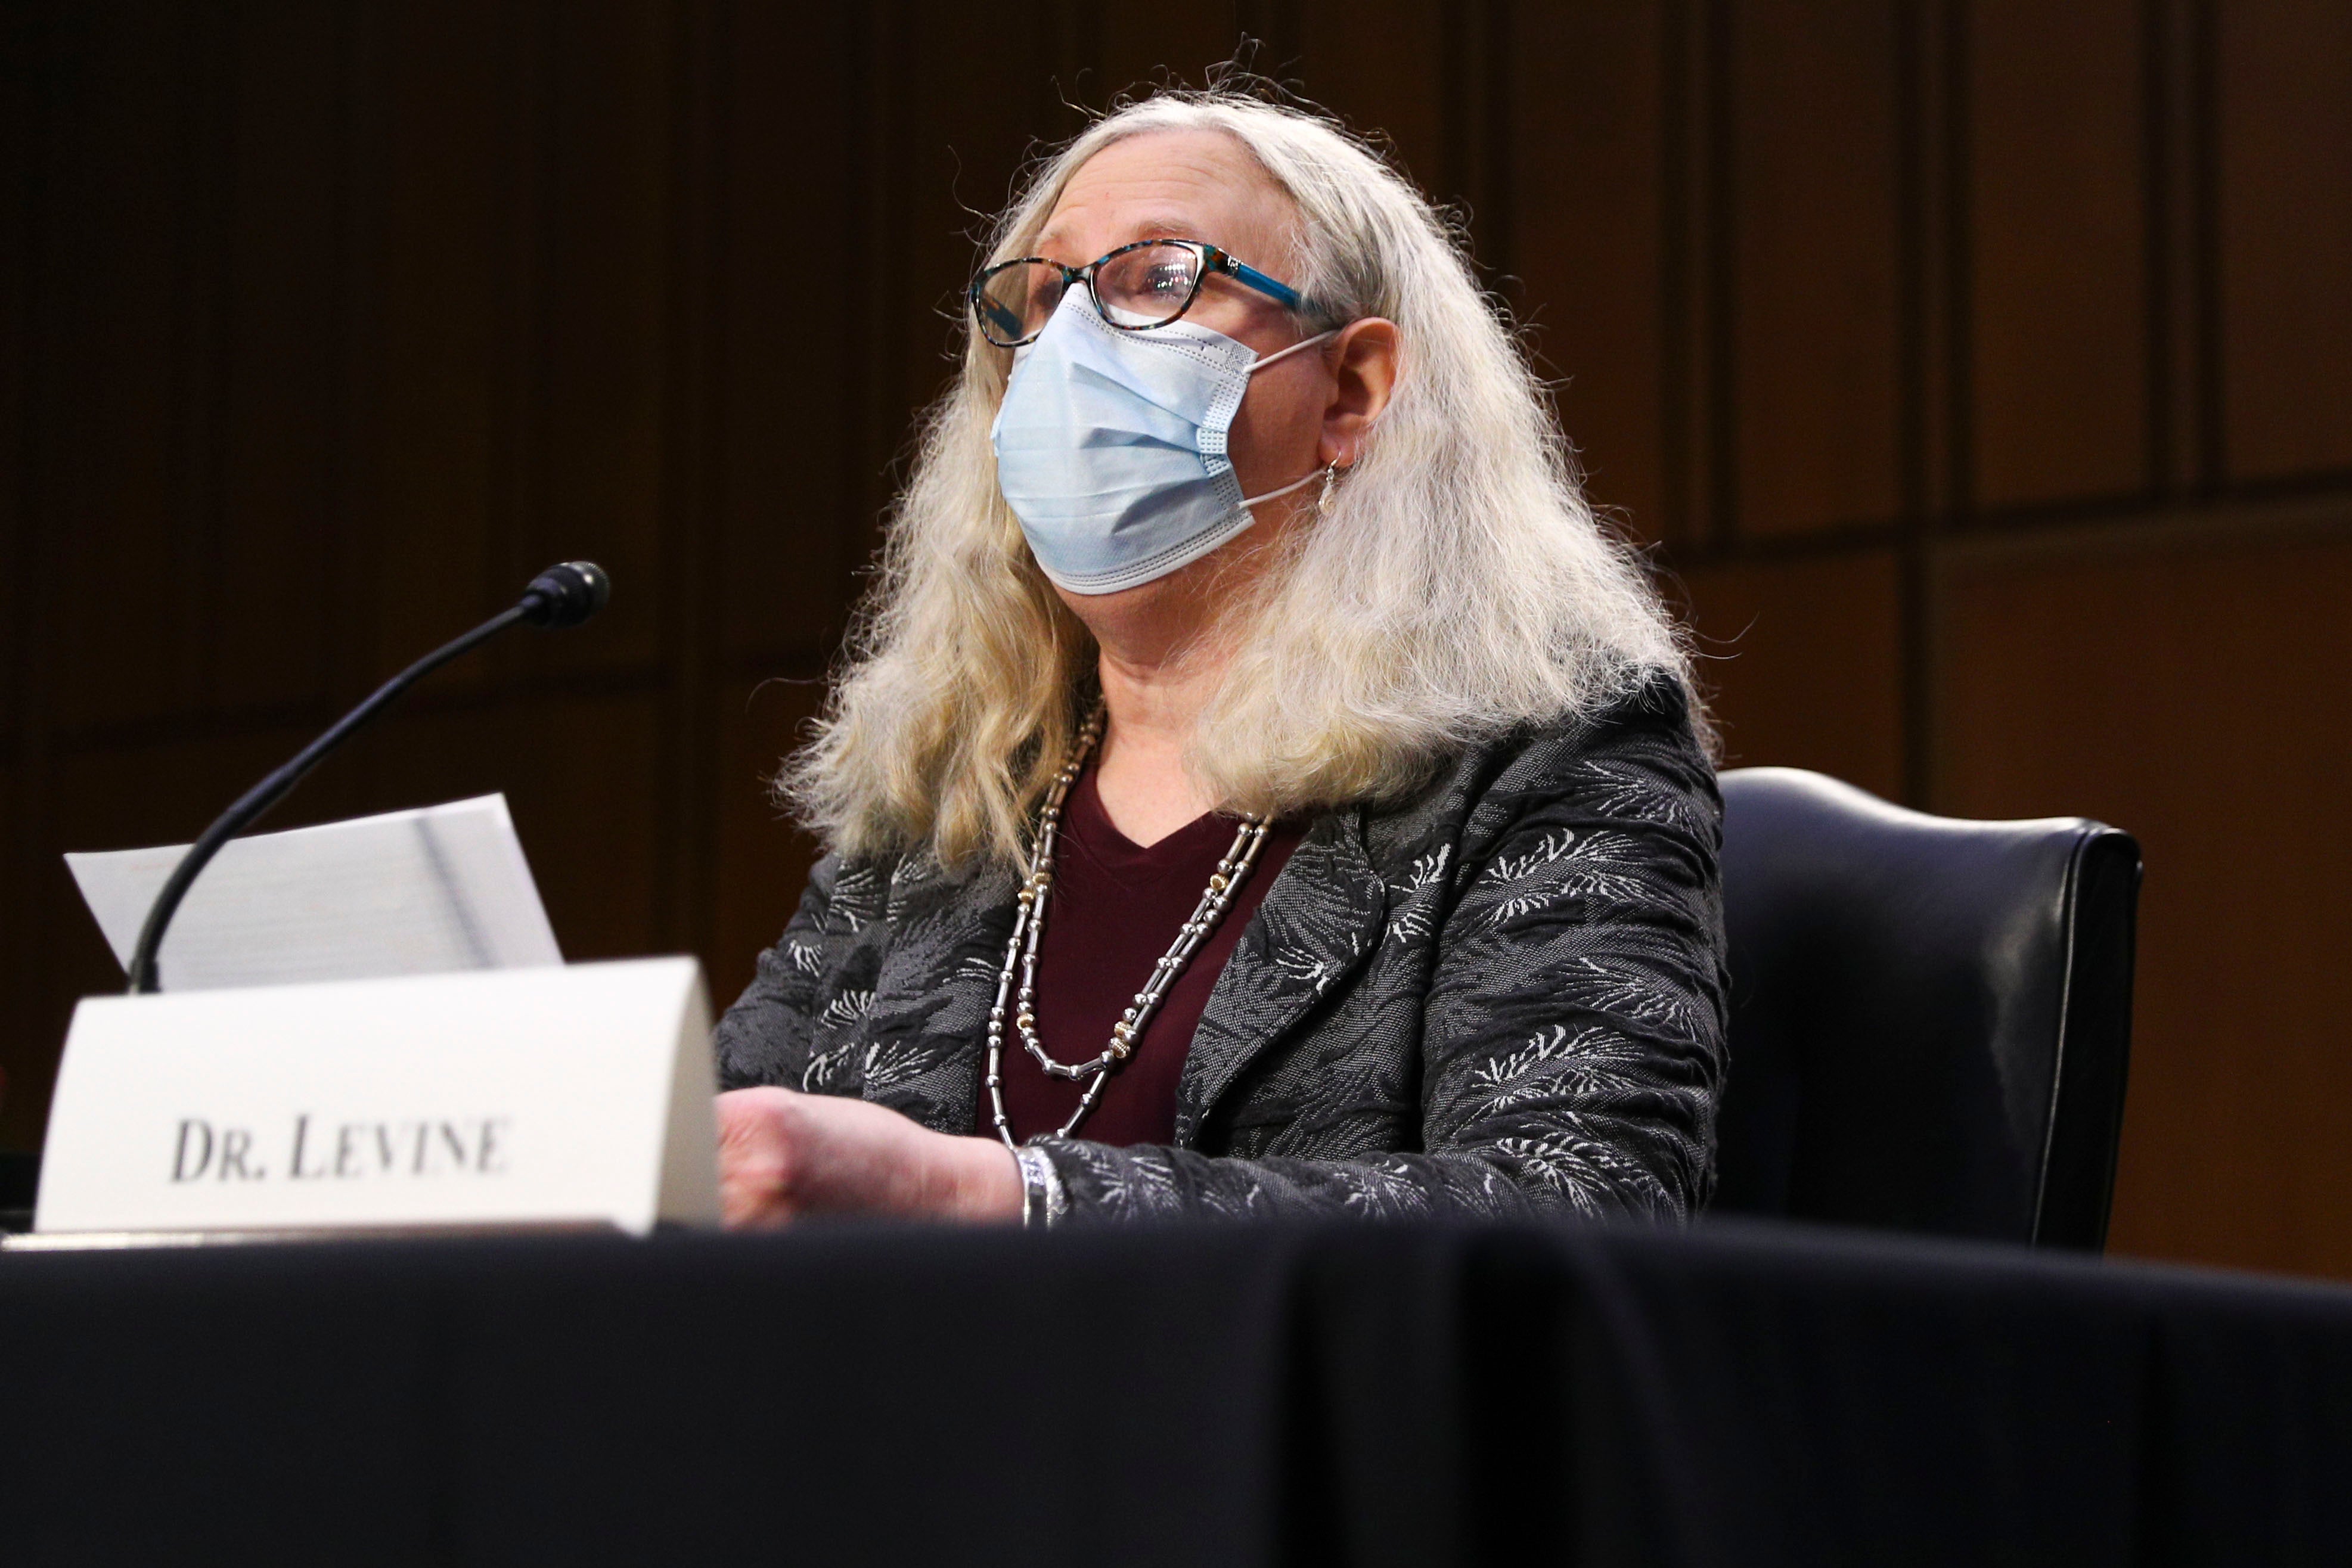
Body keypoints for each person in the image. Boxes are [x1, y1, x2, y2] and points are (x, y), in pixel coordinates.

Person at [713, 89, 1727, 1229]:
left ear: (1349, 392)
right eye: (1042, 299)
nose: (1068, 347)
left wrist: (989, 1197)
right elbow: (724, 1148)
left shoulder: (1549, 751)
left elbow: (1576, 1207)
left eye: (1157, 280)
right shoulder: (953, 791)